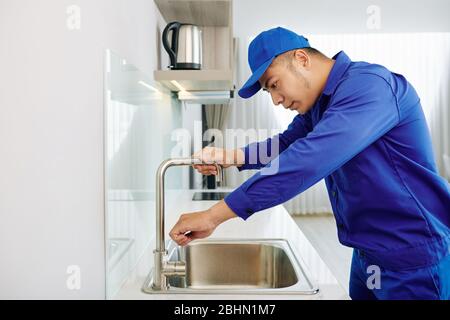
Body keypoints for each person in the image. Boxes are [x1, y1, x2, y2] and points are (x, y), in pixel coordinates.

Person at [169, 27, 450, 300]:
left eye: (274, 85)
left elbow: (306, 161)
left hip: (412, 258)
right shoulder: (320, 106)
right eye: (269, 93)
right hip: (367, 254)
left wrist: (215, 215)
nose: (277, 100)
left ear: (301, 59)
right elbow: (286, 145)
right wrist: (230, 157)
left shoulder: (370, 87)